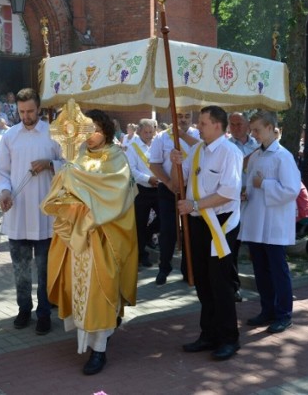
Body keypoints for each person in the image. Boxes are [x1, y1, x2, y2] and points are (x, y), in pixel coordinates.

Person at [42, 108, 138, 375]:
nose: (90, 135)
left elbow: (115, 195)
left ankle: (99, 351)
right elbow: (68, 186)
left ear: (105, 129)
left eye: (94, 129)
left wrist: (75, 179)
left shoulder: (117, 157)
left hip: (103, 236)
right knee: (80, 292)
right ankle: (90, 340)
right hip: (79, 238)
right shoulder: (80, 156)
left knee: (100, 293)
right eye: (86, 130)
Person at [169, 106, 242, 361]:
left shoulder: (230, 152)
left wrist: (195, 206)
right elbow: (179, 183)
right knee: (201, 278)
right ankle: (208, 333)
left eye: (202, 122)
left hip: (220, 223)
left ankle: (229, 338)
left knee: (220, 282)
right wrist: (176, 163)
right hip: (198, 221)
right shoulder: (198, 150)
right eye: (199, 122)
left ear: (217, 126)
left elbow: (228, 192)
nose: (198, 127)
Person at [0, 87, 63, 336]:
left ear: (39, 109)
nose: (26, 116)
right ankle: (24, 309)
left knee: (45, 269)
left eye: (30, 111)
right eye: (22, 112)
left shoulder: (54, 134)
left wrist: (49, 164)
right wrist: (3, 192)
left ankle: (44, 312)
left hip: (45, 212)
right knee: (21, 268)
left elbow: (69, 165)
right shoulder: (10, 136)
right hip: (19, 212)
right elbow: (0, 171)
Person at [239, 111, 300, 333]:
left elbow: (292, 190)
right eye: (252, 130)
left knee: (277, 269)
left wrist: (264, 185)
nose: (253, 134)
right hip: (257, 220)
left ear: (270, 128)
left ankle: (284, 313)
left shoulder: (283, 156)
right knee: (261, 270)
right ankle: (268, 309)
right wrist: (246, 192)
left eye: (256, 129)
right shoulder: (256, 156)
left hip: (274, 222)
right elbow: (251, 183)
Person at [149, 110, 200, 285]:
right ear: (173, 118)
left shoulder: (198, 135)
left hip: (191, 189)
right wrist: (169, 182)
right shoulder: (161, 138)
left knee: (190, 231)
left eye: (187, 116)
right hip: (168, 188)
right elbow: (154, 164)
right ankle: (164, 267)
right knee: (168, 230)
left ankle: (188, 270)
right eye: (179, 116)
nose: (183, 119)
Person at [227, 111, 259, 302]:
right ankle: (233, 286)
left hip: (254, 201)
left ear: (248, 124)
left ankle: (262, 283)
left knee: (257, 245)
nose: (235, 128)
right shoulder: (227, 146)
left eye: (239, 124)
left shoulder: (257, 144)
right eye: (232, 124)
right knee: (233, 247)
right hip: (233, 202)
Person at [126, 118, 160, 268]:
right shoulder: (132, 147)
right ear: (139, 131)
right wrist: (148, 179)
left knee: (166, 217)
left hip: (159, 188)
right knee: (140, 223)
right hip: (142, 190)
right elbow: (132, 170)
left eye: (151, 132)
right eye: (145, 132)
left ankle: (148, 235)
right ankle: (141, 256)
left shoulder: (157, 144)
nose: (148, 135)